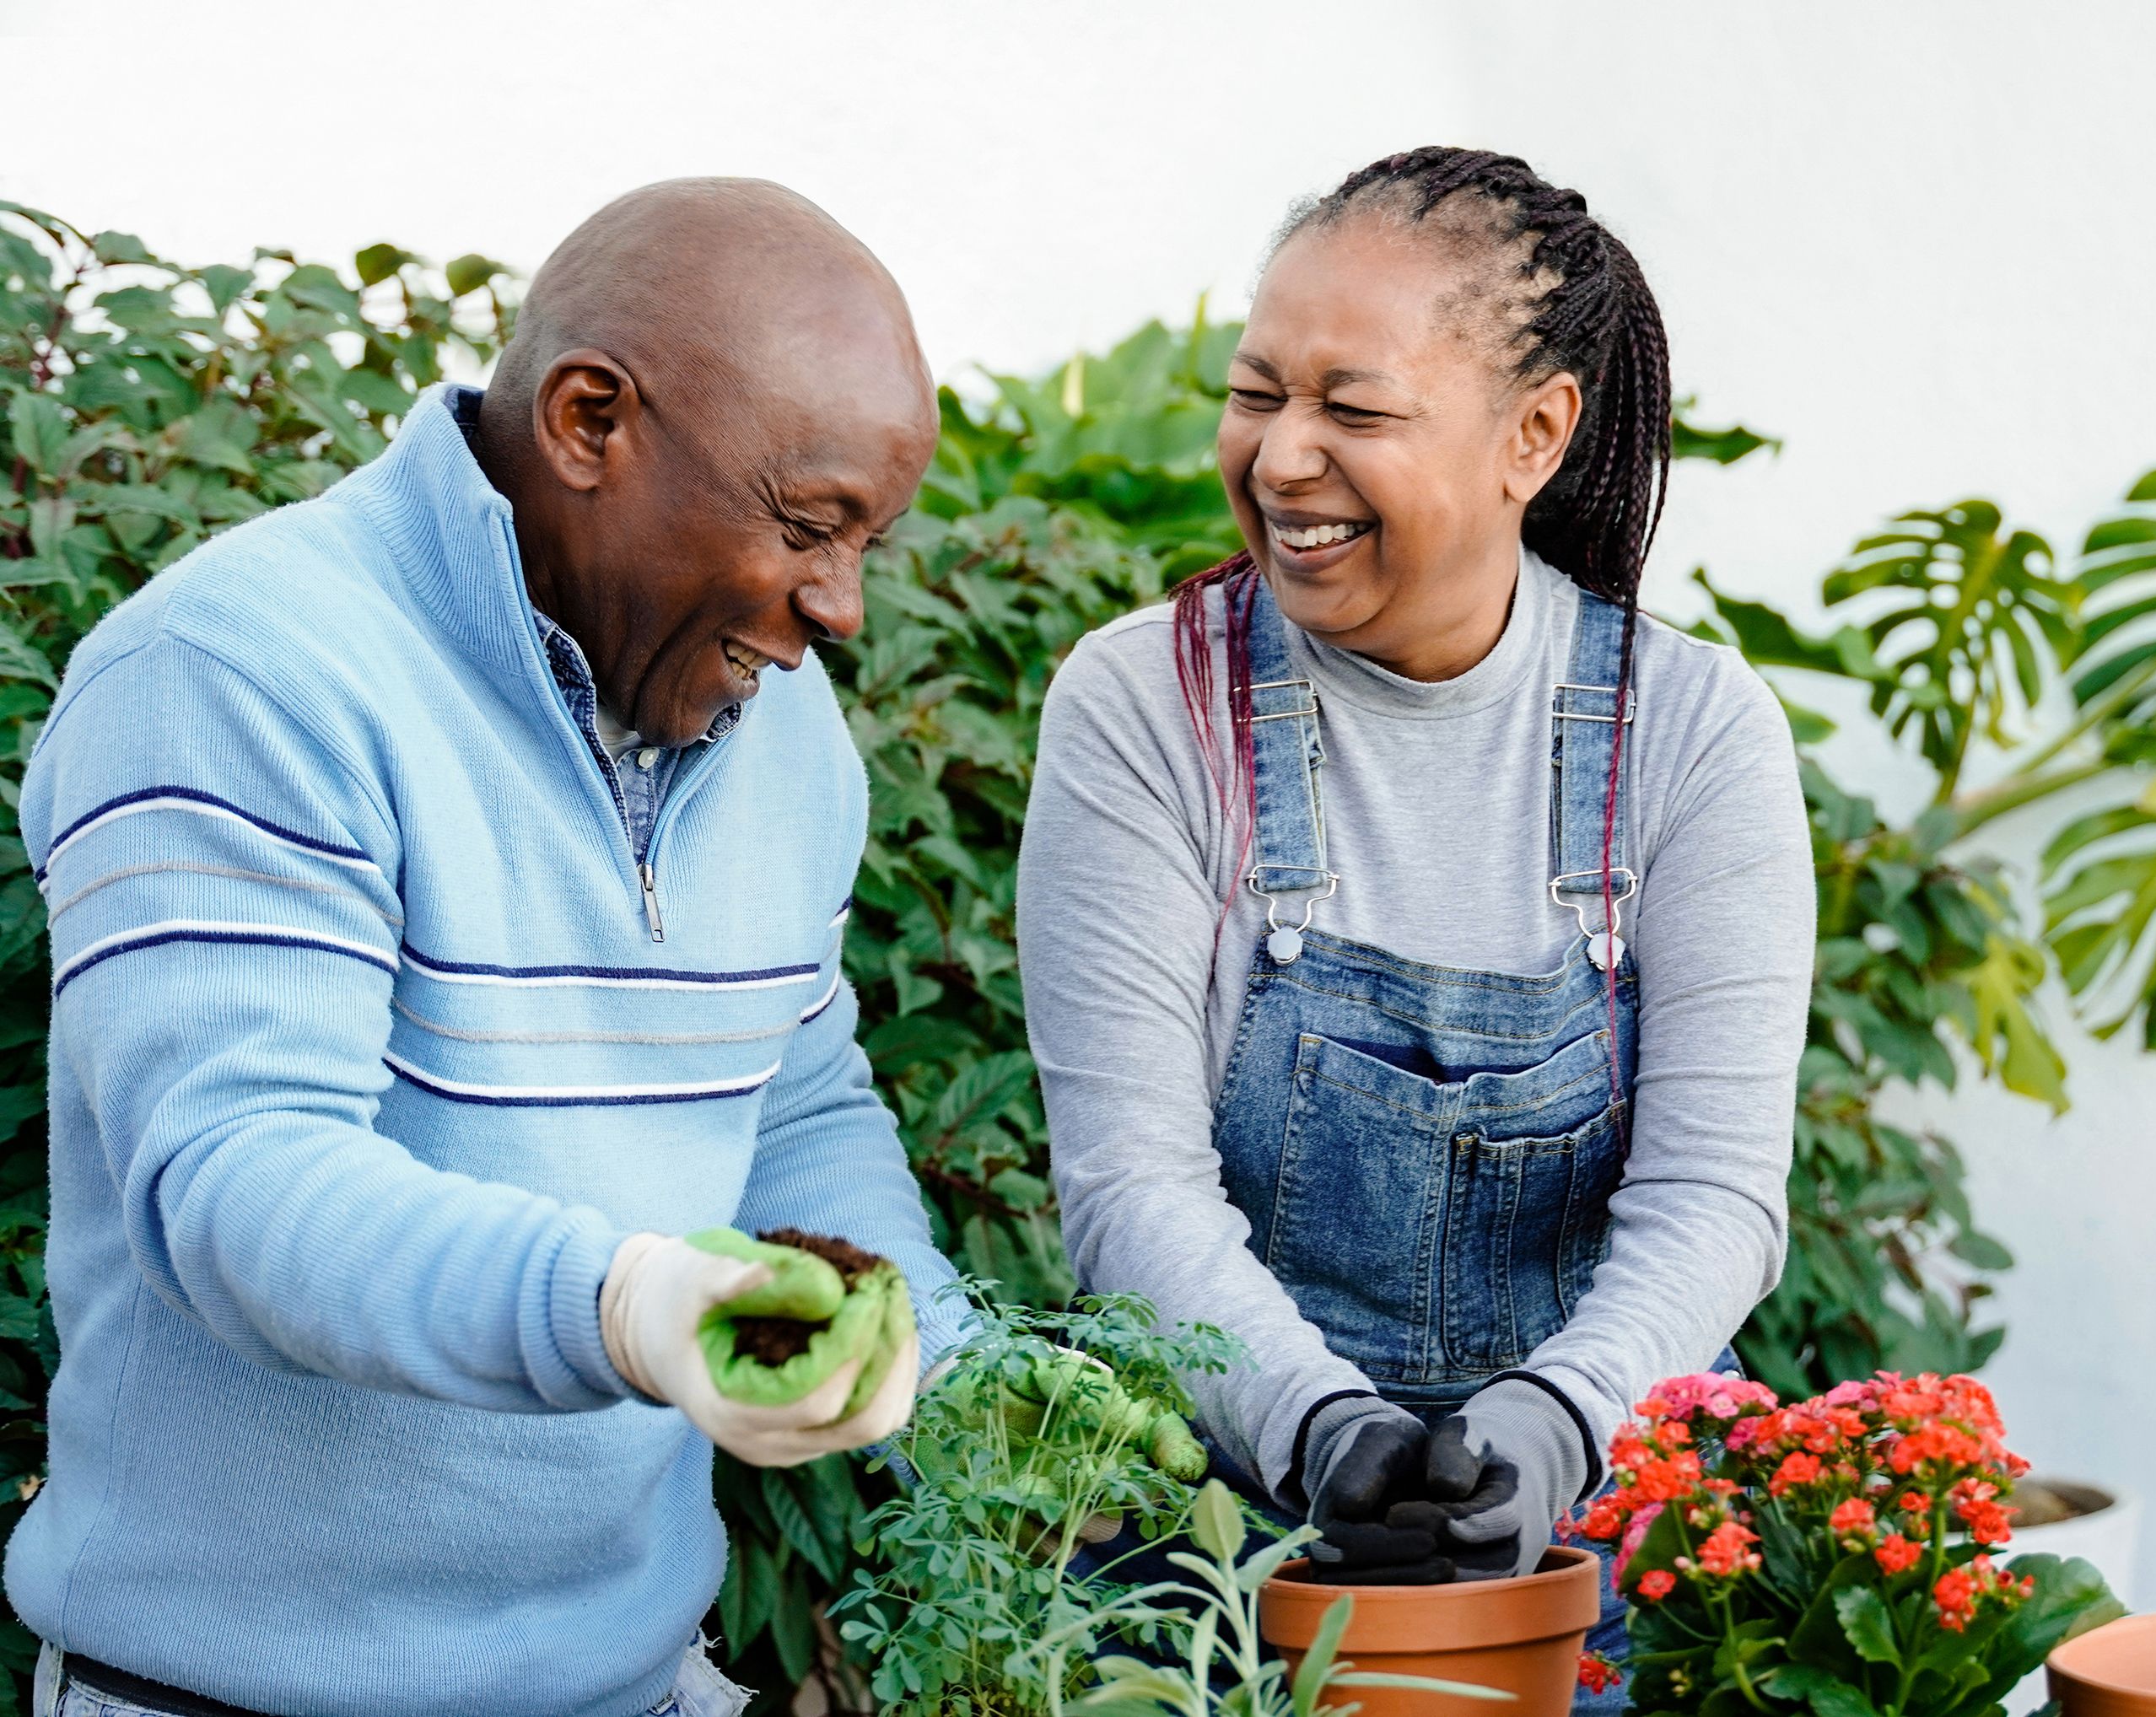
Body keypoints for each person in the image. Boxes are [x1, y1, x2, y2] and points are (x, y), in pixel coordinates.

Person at [8, 180, 964, 1717]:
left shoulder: (788, 736)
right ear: (591, 421)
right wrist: (636, 1308)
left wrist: (954, 1366)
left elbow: (792, 1106)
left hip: (638, 1684)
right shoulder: (244, 671)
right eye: (806, 526)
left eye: (867, 540)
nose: (838, 607)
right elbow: (243, 1187)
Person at [1020, 148, 1812, 1695]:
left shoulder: (1692, 733)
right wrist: (1324, 1432)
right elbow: (1127, 1185)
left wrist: (1553, 1421)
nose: (1282, 457)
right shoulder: (1146, 707)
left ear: (1533, 435)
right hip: (1223, 1540)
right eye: (1258, 394)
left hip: (1599, 1531)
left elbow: (1716, 1195)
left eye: (1354, 410)